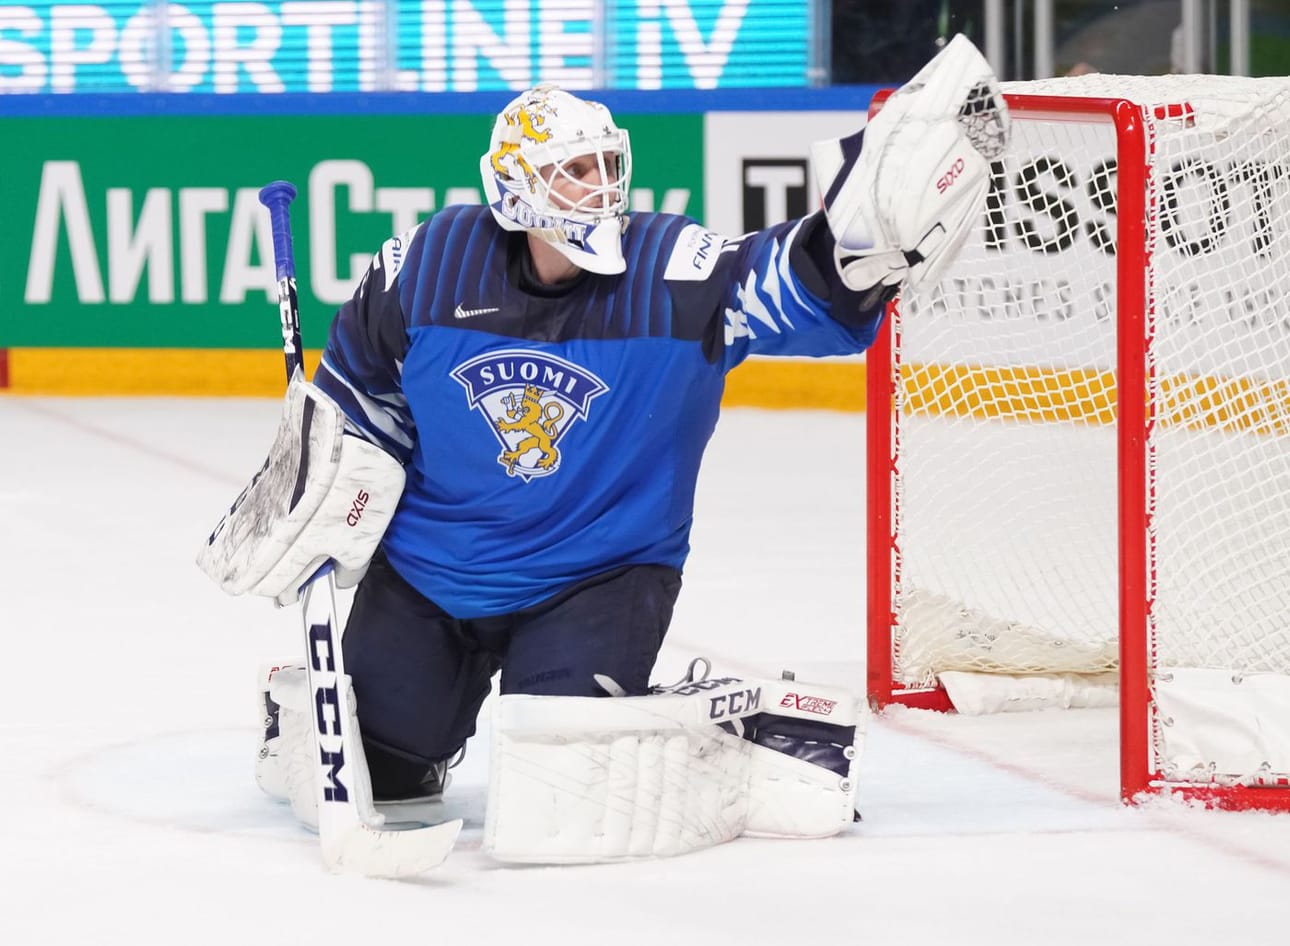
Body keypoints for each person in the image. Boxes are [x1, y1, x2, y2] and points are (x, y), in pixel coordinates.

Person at [200, 37, 1008, 818]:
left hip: (597, 576)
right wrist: (322, 483)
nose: (600, 187)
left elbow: (787, 285)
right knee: (382, 776)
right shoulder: (429, 265)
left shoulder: (674, 270)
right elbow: (358, 397)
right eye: (573, 170)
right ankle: (310, 705)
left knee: (563, 787)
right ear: (516, 189)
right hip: (433, 574)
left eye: (605, 166)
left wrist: (850, 252)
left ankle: (717, 731)